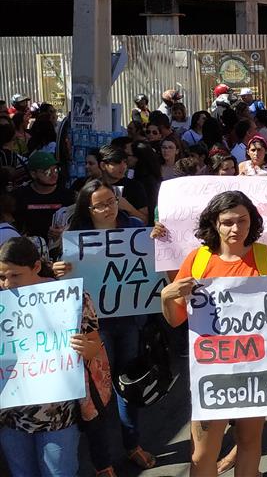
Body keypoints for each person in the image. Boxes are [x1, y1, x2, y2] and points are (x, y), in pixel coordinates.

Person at [157, 191, 267, 477]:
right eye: (228, 222)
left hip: (255, 370)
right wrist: (166, 295)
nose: (236, 229)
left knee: (249, 443)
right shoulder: (197, 261)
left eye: (243, 221)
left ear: (253, 222)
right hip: (212, 373)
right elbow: (175, 320)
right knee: (202, 453)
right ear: (215, 223)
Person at [68, 180, 157, 473]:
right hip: (94, 327)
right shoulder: (76, 236)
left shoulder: (133, 227)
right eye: (100, 204)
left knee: (128, 387)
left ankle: (132, 445)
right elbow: (66, 281)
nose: (108, 208)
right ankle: (102, 462)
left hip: (129, 321)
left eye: (112, 201)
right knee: (97, 398)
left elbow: (154, 259)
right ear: (88, 208)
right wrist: (60, 268)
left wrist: (158, 238)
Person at [0, 236, 101, 477]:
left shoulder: (70, 297)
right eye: (2, 276)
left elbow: (95, 343)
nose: (6, 284)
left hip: (57, 412)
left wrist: (85, 348)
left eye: (14, 275)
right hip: (11, 414)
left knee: (59, 473)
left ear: (36, 267)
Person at [14, 150, 74, 245]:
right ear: (33, 174)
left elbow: (77, 222)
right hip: (29, 249)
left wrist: (65, 231)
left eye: (55, 169)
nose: (54, 174)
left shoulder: (68, 196)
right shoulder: (20, 195)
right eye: (47, 172)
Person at [97, 145, 149, 223]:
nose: (123, 167)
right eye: (117, 163)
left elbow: (145, 221)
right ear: (103, 165)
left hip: (127, 233)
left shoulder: (135, 186)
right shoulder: (93, 187)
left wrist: (128, 208)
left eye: (125, 162)